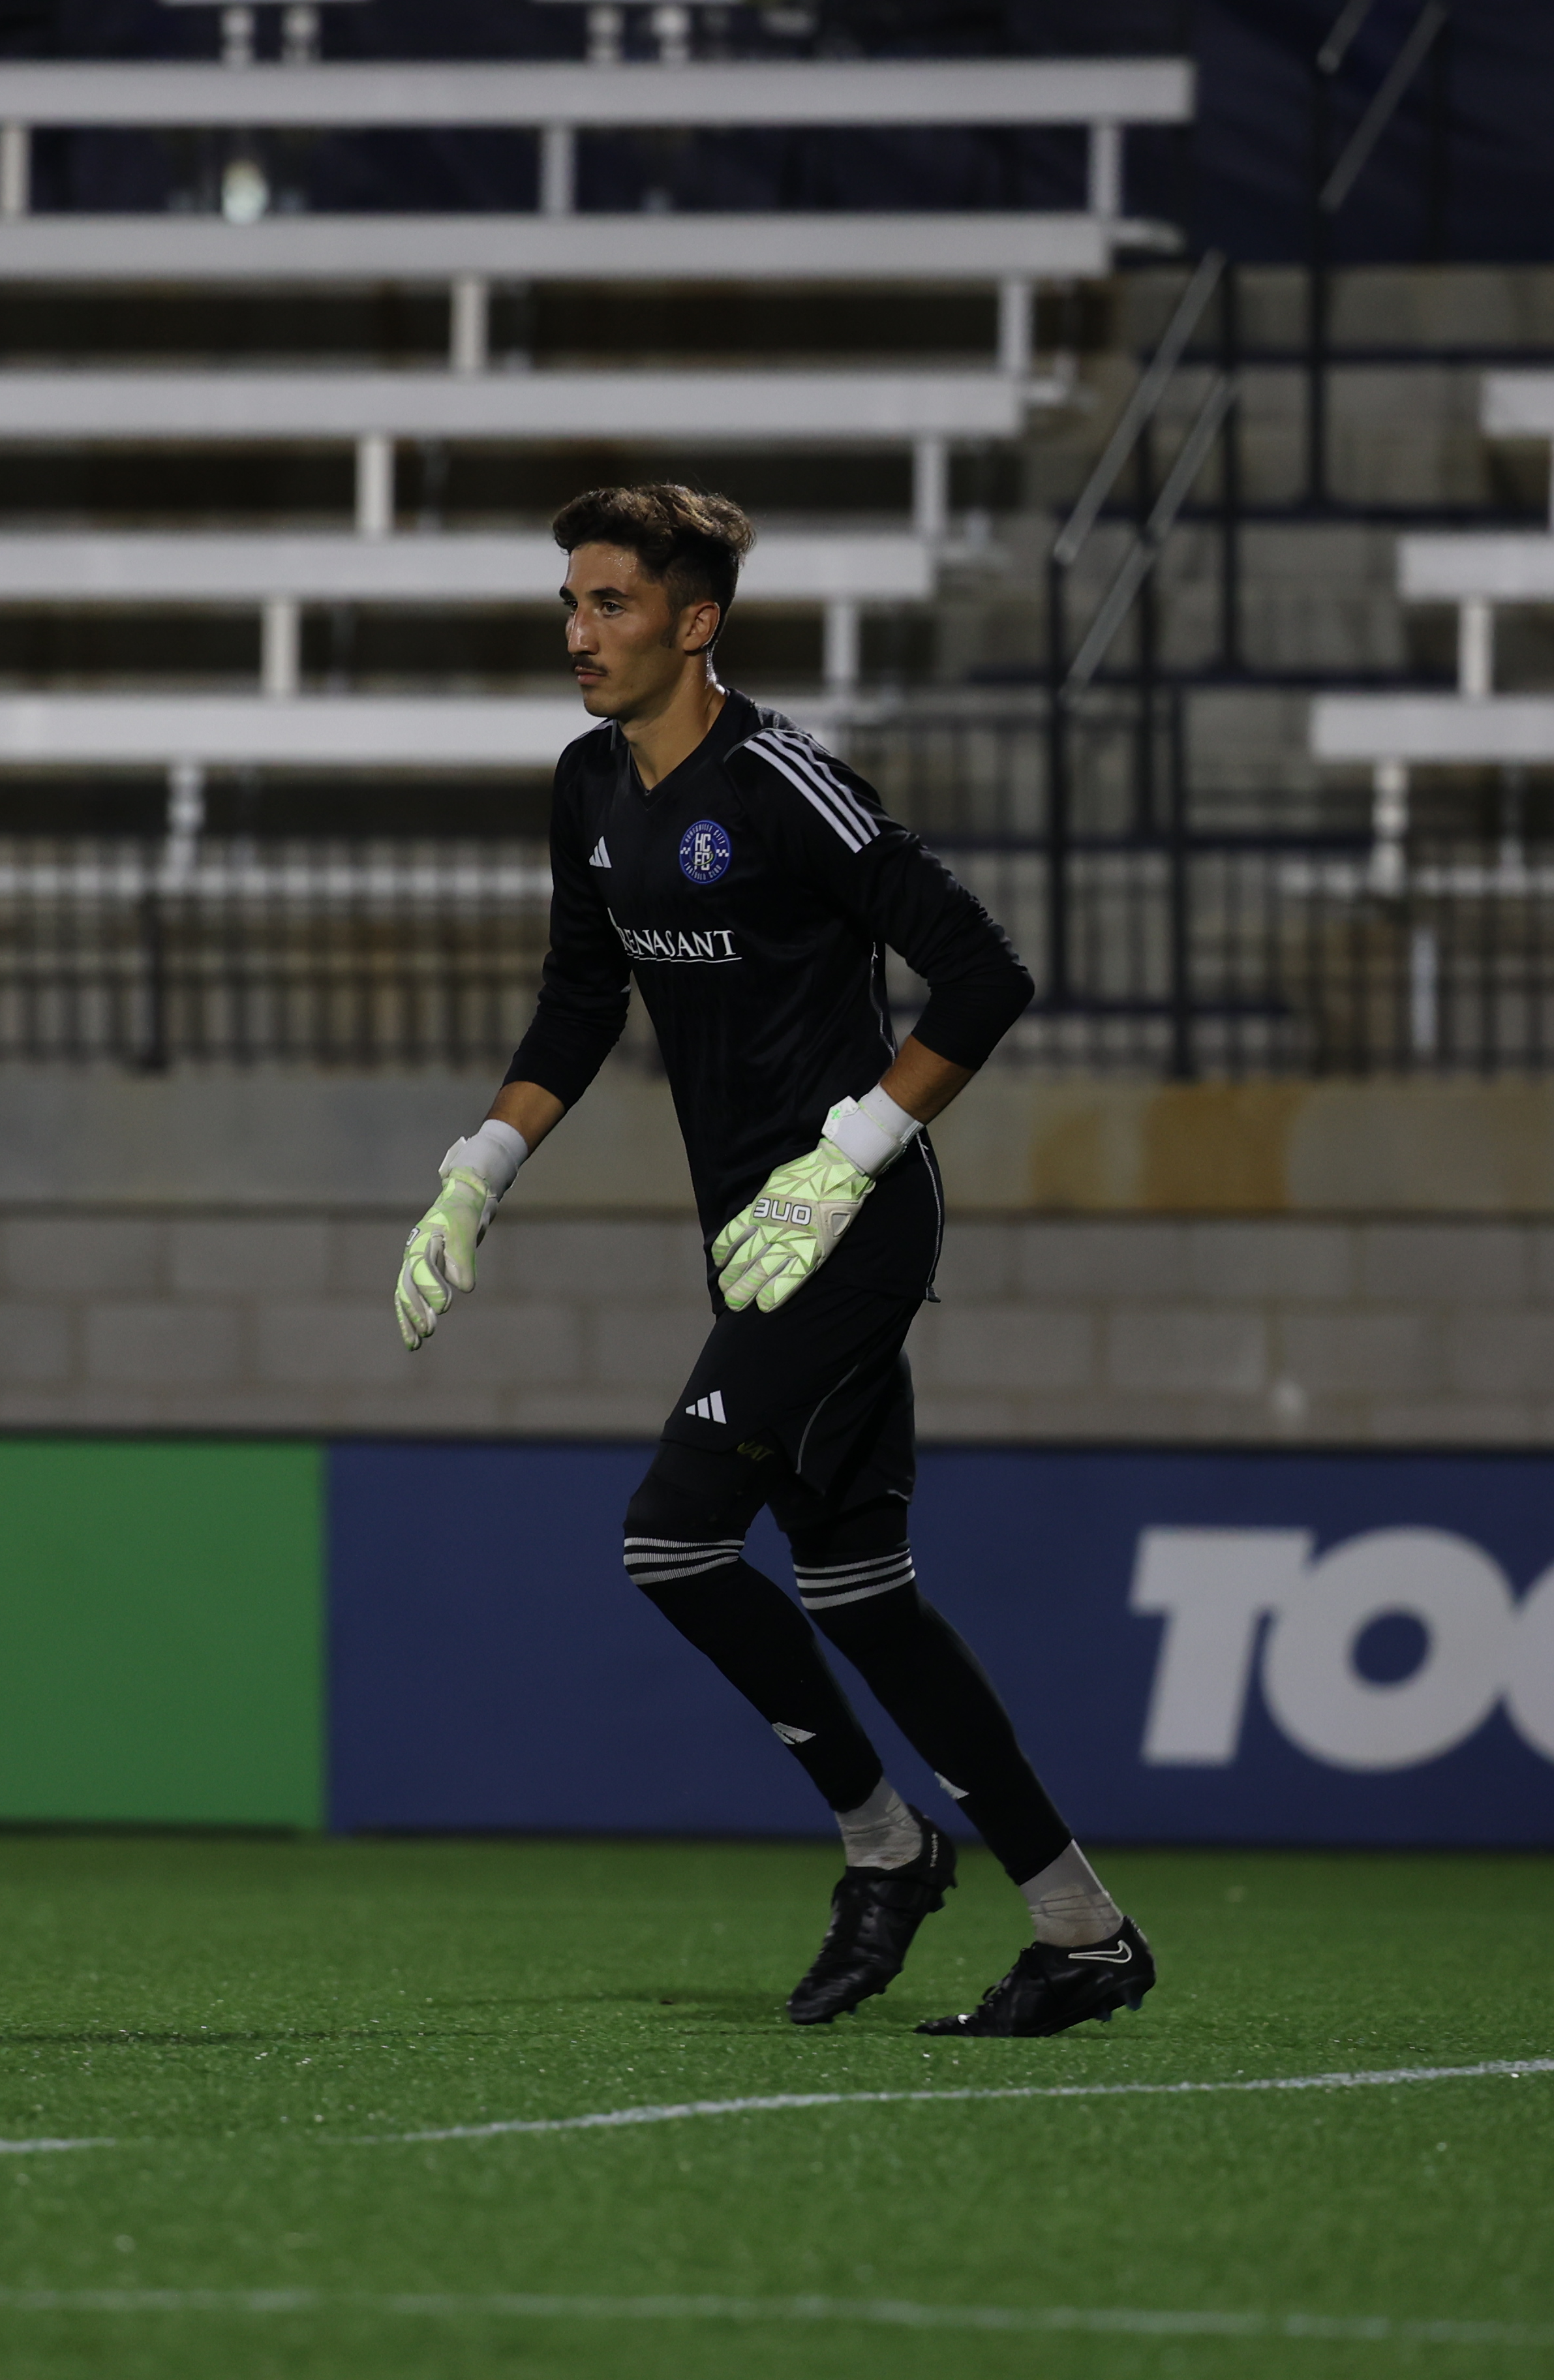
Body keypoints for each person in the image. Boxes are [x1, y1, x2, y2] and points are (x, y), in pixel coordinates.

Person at [392, 483, 1154, 2037]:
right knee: (865, 1600)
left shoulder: (784, 781)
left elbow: (984, 974)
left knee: (672, 1542)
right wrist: (478, 1172)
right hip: (751, 1243)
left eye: (610, 604)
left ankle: (886, 1844)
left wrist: (847, 1154)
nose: (579, 633)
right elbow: (579, 1002)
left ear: (696, 623)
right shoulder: (588, 786)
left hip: (850, 1225)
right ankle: (1083, 1933)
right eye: (569, 604)